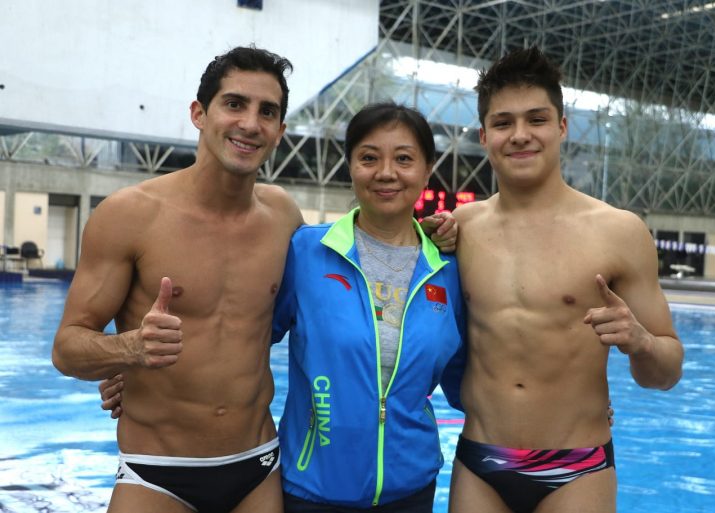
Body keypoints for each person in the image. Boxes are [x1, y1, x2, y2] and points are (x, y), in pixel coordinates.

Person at [52, 46, 303, 513]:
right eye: (234, 104)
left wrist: (436, 235)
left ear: (280, 131)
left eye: (267, 112)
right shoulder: (129, 215)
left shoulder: (284, 217)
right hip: (156, 472)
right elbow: (66, 347)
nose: (251, 123)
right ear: (199, 114)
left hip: (258, 465)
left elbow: (328, 298)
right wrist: (129, 350)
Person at [448, 46, 684, 513]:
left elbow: (668, 371)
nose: (520, 136)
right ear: (483, 135)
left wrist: (640, 342)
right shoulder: (458, 229)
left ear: (561, 126)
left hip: (577, 467)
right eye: (503, 123)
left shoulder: (618, 231)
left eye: (536, 119)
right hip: (480, 462)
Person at [272, 102, 465, 512]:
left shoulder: (449, 269)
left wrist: (555, 406)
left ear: (428, 169)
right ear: (350, 166)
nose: (386, 173)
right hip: (312, 485)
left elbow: (471, 376)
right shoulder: (306, 252)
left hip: (410, 487)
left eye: (404, 159)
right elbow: (244, 340)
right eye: (369, 158)